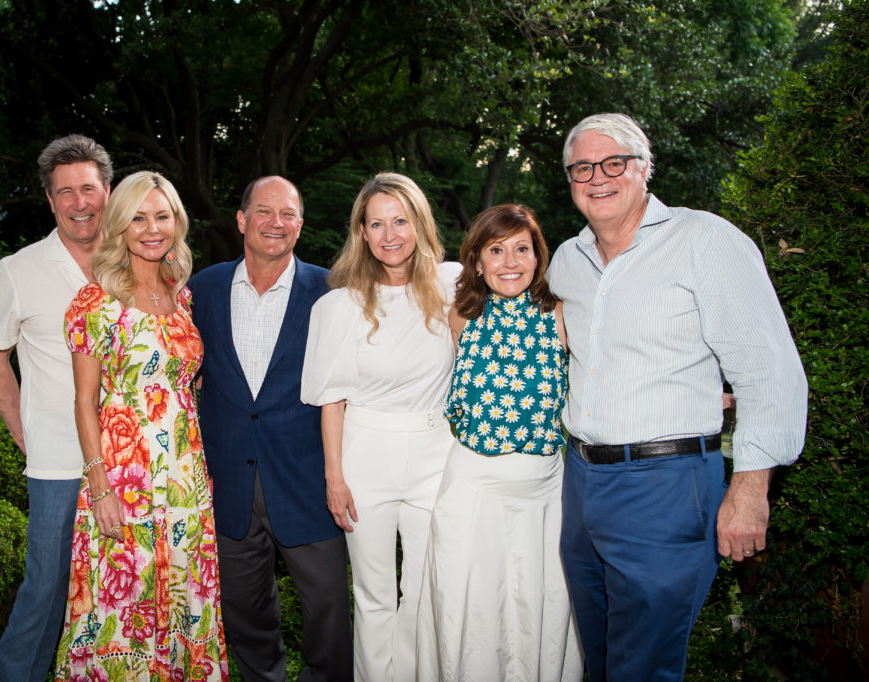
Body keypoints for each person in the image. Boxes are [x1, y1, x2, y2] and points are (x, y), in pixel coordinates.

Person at [548, 113, 808, 681]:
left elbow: (769, 371)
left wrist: (749, 489)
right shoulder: (567, 260)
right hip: (581, 483)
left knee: (645, 666)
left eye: (615, 162)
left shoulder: (705, 241)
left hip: (667, 487)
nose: (598, 177)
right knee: (598, 657)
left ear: (644, 169)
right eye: (583, 167)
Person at [53, 170, 229, 681]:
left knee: (182, 598)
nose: (152, 229)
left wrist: (198, 469)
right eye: (138, 218)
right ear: (118, 226)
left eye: (162, 216)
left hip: (185, 479)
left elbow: (186, 388)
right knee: (122, 605)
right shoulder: (95, 301)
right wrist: (99, 484)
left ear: (177, 222)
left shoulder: (183, 296)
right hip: (124, 480)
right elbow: (85, 402)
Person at [188, 176, 353, 682]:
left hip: (308, 482)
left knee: (328, 610)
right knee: (245, 613)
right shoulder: (201, 289)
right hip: (228, 484)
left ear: (301, 224)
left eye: (288, 214)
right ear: (241, 220)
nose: (275, 223)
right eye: (264, 211)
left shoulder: (331, 292)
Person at [302, 172, 460, 682]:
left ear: (419, 224)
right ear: (362, 233)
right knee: (373, 597)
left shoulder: (453, 286)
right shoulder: (338, 307)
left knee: (424, 591)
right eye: (377, 223)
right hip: (364, 457)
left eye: (401, 220)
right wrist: (334, 476)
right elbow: (331, 400)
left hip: (436, 454)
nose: (390, 234)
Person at [415, 204, 584, 681]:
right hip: (472, 491)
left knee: (539, 607)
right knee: (470, 606)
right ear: (477, 261)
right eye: (496, 250)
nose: (510, 261)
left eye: (522, 249)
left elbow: (610, 366)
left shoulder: (561, 316)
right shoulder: (460, 316)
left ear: (538, 257)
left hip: (543, 495)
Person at [0, 134, 112, 682]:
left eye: (88, 188)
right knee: (47, 587)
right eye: (66, 192)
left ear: (108, 190)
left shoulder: (140, 259)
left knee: (120, 589)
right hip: (59, 463)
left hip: (132, 462)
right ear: (50, 200)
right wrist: (23, 434)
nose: (79, 202)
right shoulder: (18, 269)